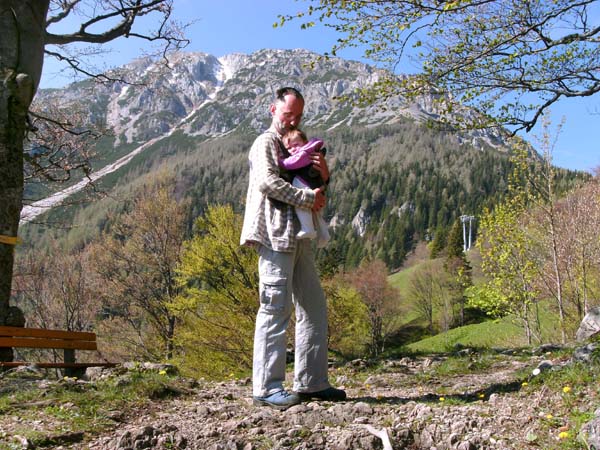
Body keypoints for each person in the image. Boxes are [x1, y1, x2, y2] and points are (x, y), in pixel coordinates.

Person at [240, 87, 346, 410]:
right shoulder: (265, 143)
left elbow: (310, 184)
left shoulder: (293, 144)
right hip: (274, 236)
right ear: (273, 109)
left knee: (313, 306)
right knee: (275, 308)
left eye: (298, 116)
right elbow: (267, 183)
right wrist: (307, 198)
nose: (293, 121)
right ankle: (267, 387)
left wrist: (324, 181)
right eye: (289, 115)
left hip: (299, 235)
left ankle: (312, 382)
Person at [280, 129, 330, 247]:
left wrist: (280, 161)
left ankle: (307, 228)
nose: (293, 149)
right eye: (289, 148)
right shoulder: (310, 151)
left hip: (305, 184)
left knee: (301, 205)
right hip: (313, 184)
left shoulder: (304, 153)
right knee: (315, 213)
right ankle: (323, 234)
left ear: (305, 143)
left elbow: (291, 164)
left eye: (296, 145)